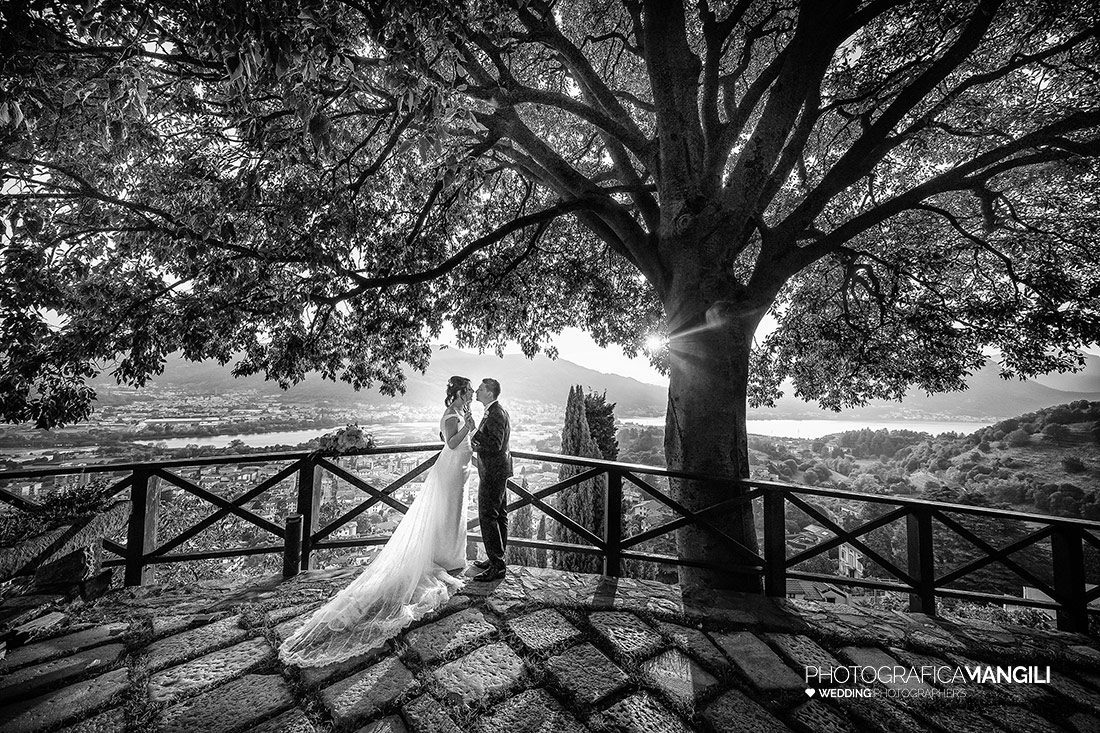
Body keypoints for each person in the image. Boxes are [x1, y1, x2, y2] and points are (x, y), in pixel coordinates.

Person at [279, 376, 477, 667]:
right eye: (469, 390)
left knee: (454, 515)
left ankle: (450, 555)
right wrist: (468, 428)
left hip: (461, 471)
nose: (471, 393)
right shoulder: (451, 416)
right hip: (450, 470)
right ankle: (442, 557)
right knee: (446, 514)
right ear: (459, 392)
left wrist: (470, 426)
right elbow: (450, 442)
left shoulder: (462, 413)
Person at [470, 377, 512, 582]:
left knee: (487, 516)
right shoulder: (495, 411)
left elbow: (494, 444)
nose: (476, 392)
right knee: (499, 516)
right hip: (498, 470)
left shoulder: (495, 413)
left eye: (479, 389)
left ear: (489, 392)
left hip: (493, 472)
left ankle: (497, 565)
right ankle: (497, 559)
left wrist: (474, 439)